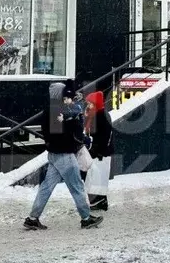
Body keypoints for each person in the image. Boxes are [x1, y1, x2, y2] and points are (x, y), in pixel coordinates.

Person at [24, 82, 102, 230]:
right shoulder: (56, 111)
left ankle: (32, 218)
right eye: (63, 92)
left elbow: (52, 133)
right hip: (64, 154)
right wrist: (74, 123)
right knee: (77, 186)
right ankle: (86, 218)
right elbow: (62, 134)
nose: (66, 95)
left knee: (46, 187)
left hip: (54, 154)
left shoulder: (50, 109)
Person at [84, 91, 114, 211]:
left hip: (101, 152)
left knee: (98, 178)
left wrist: (99, 151)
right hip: (99, 151)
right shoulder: (97, 114)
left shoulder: (100, 116)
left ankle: (99, 201)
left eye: (90, 103)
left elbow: (106, 135)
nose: (88, 105)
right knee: (98, 178)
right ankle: (100, 201)